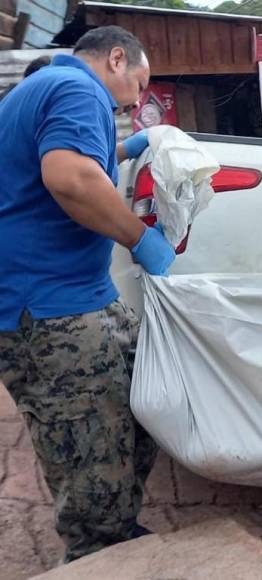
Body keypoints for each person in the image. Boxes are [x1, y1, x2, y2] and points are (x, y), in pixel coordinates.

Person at [0, 26, 175, 563]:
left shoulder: (44, 90)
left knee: (137, 408)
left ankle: (114, 533)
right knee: (92, 445)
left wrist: (127, 148)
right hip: (51, 306)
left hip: (78, 295)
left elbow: (75, 160)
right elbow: (71, 176)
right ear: (117, 59)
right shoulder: (78, 89)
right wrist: (139, 238)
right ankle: (100, 554)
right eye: (139, 83)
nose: (137, 98)